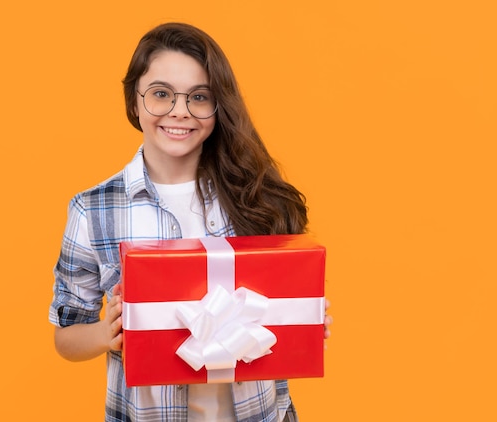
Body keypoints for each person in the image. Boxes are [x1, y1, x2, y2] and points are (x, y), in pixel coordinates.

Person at [49, 22, 332, 422]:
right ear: (134, 101)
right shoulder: (92, 210)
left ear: (218, 108)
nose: (179, 111)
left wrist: (304, 319)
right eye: (161, 94)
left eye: (199, 97)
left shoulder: (254, 196)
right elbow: (66, 337)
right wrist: (105, 333)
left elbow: (278, 317)